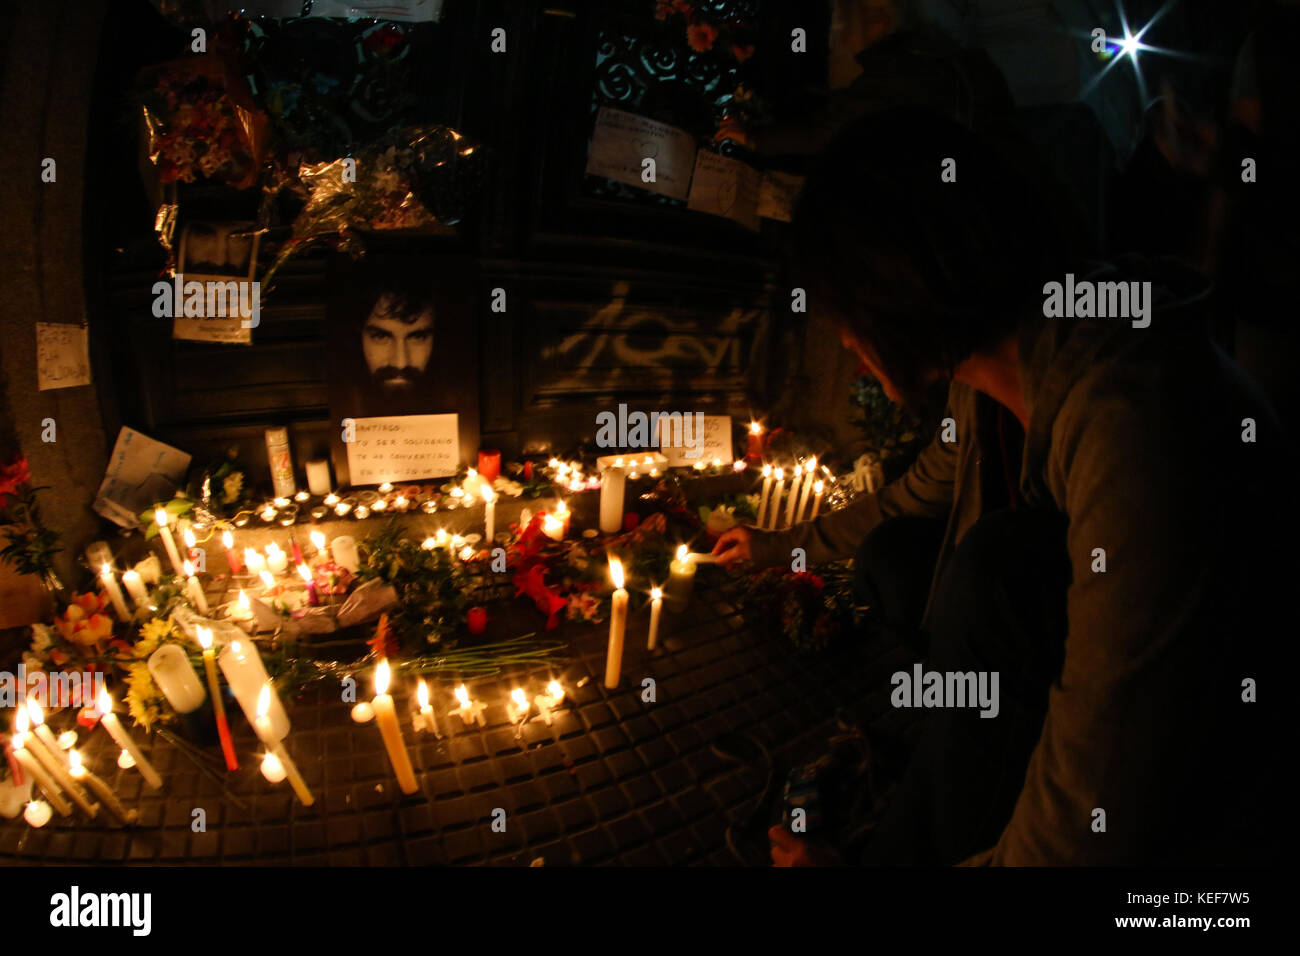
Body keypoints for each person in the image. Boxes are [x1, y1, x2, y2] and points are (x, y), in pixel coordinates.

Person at [713, 108, 1289, 866]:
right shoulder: (992, 378)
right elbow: (915, 495)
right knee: (903, 555)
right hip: (1094, 681)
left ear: (899, 284)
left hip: (1223, 809)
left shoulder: (1132, 425)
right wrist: (780, 548)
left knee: (997, 572)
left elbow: (1093, 818)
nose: (848, 346)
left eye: (845, 316)